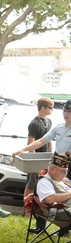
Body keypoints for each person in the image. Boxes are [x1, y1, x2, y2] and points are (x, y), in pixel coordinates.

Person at [23, 98, 55, 233]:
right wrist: (34, 162)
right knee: (31, 185)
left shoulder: (48, 121)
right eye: (50, 107)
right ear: (42, 108)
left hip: (46, 160)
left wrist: (52, 155)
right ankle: (27, 212)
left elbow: (49, 141)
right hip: (36, 160)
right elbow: (31, 144)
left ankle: (38, 216)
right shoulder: (34, 124)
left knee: (42, 187)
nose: (52, 110)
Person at [34, 152, 71, 223]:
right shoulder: (44, 181)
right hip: (63, 211)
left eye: (67, 171)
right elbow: (49, 199)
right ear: (52, 169)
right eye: (63, 171)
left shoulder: (63, 181)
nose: (66, 174)